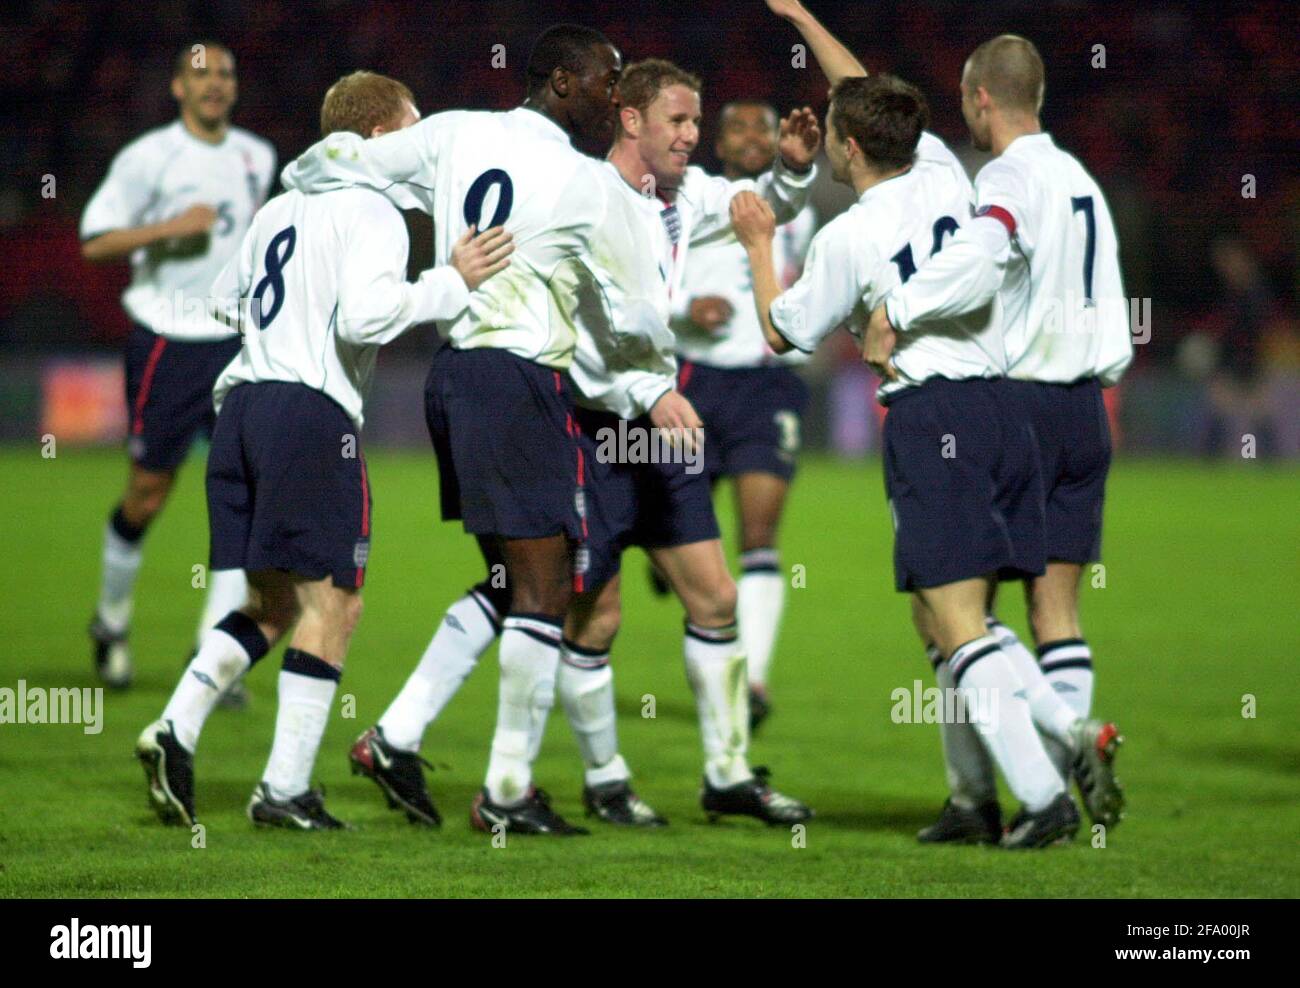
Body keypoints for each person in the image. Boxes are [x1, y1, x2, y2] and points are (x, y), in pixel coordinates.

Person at [284, 25, 684, 835]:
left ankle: (396, 736)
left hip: (455, 379)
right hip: (517, 382)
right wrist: (650, 352)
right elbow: (639, 314)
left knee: (510, 583)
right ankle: (505, 794)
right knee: (545, 589)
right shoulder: (585, 181)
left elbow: (334, 159)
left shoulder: (456, 130)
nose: (616, 98)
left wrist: (311, 181)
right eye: (608, 82)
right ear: (565, 84)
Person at [735, 7, 1098, 848]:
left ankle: (1046, 789)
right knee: (941, 618)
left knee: (958, 620)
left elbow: (781, 332)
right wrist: (802, 16)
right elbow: (862, 93)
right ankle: (976, 799)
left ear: (848, 149)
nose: (828, 135)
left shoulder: (846, 236)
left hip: (934, 419)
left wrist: (760, 241)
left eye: (832, 129)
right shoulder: (940, 169)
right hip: (1004, 410)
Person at [134, 71, 513, 830]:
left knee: (273, 603)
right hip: (310, 417)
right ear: (377, 136)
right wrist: (451, 280)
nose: (420, 148)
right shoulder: (371, 208)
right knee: (337, 600)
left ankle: (174, 728)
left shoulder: (280, 204)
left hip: (241, 406)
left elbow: (224, 300)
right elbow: (369, 318)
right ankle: (282, 791)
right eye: (411, 130)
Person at [865, 34, 1131, 843]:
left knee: (949, 607)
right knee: (1055, 611)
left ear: (981, 98)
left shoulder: (1007, 176)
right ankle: (1057, 780)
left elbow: (984, 249)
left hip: (1017, 404)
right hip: (1087, 409)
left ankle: (1001, 790)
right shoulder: (1080, 177)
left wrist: (900, 309)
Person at [80, 41, 274, 696]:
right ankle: (110, 622)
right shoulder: (148, 157)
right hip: (166, 341)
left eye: (226, 72)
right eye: (202, 73)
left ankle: (214, 651)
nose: (216, 83)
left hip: (232, 342)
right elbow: (94, 237)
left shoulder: (257, 155)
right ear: (178, 87)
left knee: (241, 496)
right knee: (148, 494)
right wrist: (165, 231)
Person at [667, 98, 817, 731]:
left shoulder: (793, 206)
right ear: (715, 142)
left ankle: (750, 678)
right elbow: (648, 279)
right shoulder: (686, 200)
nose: (754, 134)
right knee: (674, 535)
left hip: (766, 384)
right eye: (739, 126)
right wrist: (683, 310)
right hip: (690, 383)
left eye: (765, 124)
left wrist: (796, 166)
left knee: (759, 536)